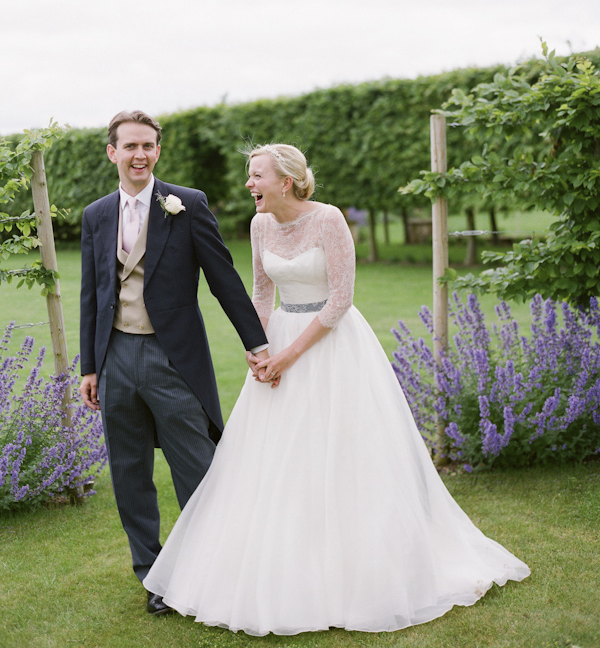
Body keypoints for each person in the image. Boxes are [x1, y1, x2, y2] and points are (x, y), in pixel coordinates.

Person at [143, 143, 530, 635]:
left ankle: (360, 570)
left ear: (285, 181)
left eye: (256, 176)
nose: (248, 185)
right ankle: (286, 564)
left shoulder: (328, 220)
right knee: (275, 459)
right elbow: (263, 292)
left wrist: (288, 355)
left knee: (344, 455)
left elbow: (342, 300)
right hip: (281, 340)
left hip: (332, 345)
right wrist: (260, 347)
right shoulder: (260, 225)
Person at [79, 111, 269, 615]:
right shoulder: (96, 215)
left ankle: (218, 570)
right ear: (112, 152)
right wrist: (89, 366)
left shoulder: (187, 204)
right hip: (115, 355)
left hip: (173, 357)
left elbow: (223, 278)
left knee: (200, 468)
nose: (139, 155)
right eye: (130, 146)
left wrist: (257, 342)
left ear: (157, 151)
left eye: (148, 146)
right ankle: (154, 577)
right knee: (129, 472)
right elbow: (92, 294)